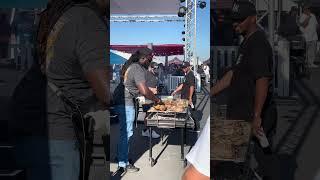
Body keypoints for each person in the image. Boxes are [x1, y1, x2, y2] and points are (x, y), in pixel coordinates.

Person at [13, 0, 109, 180]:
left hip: (30, 121)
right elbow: (104, 91)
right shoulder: (86, 19)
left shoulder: (59, 15)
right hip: (56, 133)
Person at [211, 1, 276, 178]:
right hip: (238, 114)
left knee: (250, 165)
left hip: (250, 116)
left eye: (240, 20)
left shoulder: (258, 43)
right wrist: (211, 92)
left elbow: (262, 79)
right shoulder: (246, 42)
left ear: (253, 19)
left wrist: (257, 116)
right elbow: (234, 74)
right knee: (230, 163)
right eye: (234, 20)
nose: (235, 23)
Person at [112, 47, 161, 176]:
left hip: (121, 101)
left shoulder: (131, 66)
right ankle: (123, 163)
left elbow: (135, 86)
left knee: (124, 133)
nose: (150, 62)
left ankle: (120, 156)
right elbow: (144, 91)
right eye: (149, 59)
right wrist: (156, 100)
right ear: (143, 58)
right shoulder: (137, 68)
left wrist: (148, 91)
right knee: (127, 133)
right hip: (126, 103)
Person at [141, 61, 160, 138]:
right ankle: (149, 131)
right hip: (147, 98)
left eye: (157, 69)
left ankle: (146, 130)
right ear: (150, 67)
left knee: (150, 114)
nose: (156, 70)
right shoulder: (146, 74)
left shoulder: (155, 74)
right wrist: (152, 89)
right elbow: (141, 86)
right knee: (149, 114)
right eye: (154, 68)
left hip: (153, 97)